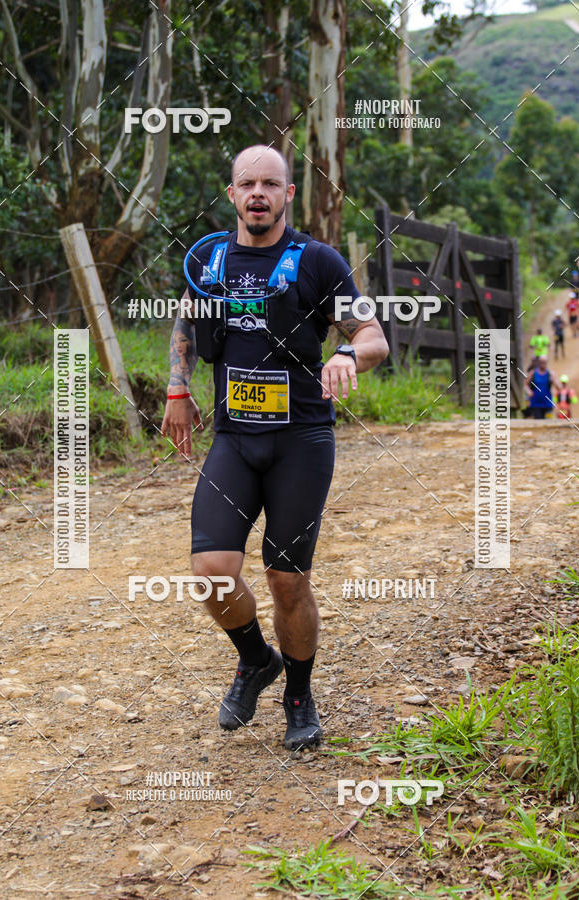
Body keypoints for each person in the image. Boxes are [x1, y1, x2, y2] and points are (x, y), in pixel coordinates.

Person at [161, 145, 388, 751]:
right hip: (234, 438)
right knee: (211, 573)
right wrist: (177, 387)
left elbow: (372, 336)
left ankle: (298, 694)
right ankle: (256, 659)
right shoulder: (208, 259)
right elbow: (187, 321)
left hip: (301, 441)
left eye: (270, 184)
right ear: (231, 194)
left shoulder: (318, 260)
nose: (258, 193)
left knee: (287, 581)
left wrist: (345, 353)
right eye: (246, 184)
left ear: (288, 194)